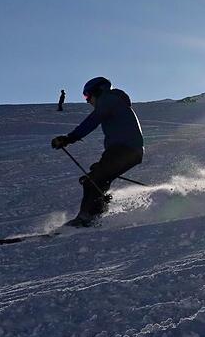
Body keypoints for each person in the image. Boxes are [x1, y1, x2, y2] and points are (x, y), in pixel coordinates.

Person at [51, 77, 144, 226]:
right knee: (96, 180)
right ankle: (96, 217)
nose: (87, 101)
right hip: (127, 150)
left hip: (125, 149)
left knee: (93, 181)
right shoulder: (114, 101)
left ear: (97, 91)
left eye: (87, 96)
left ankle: (87, 218)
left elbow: (93, 120)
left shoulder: (108, 99)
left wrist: (70, 138)